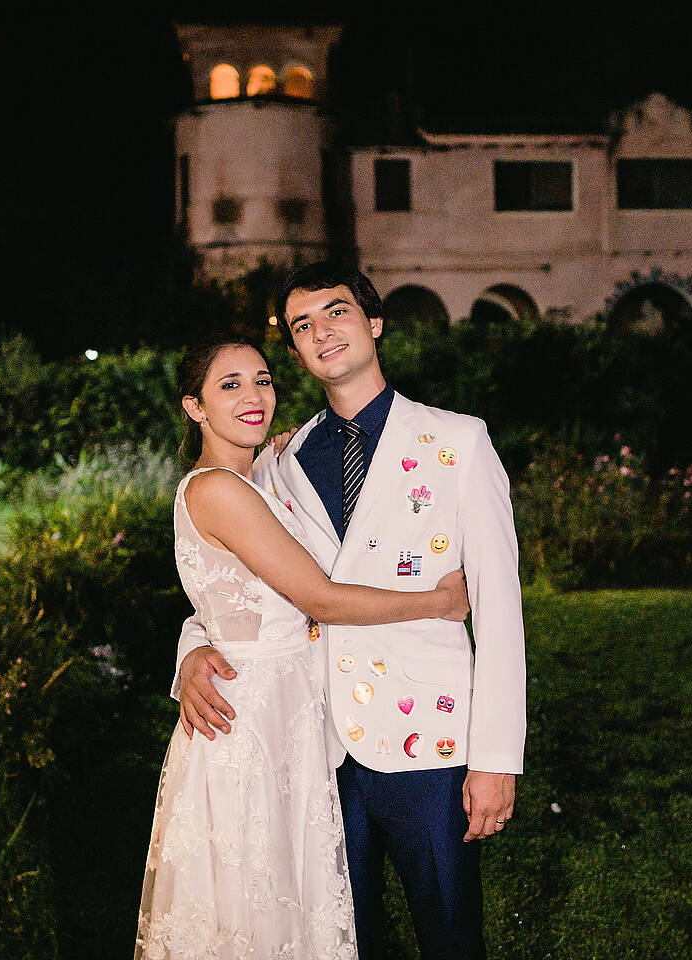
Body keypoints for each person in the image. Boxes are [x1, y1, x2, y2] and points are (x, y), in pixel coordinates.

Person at [174, 263, 528, 960]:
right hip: (315, 751)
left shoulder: (457, 443)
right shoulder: (279, 460)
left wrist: (496, 759)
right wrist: (188, 652)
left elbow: (500, 613)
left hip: (431, 746)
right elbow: (239, 586)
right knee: (338, 940)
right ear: (298, 352)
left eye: (336, 312)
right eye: (302, 326)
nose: (321, 332)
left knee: (451, 937)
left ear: (373, 323)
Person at [136, 339, 470, 960]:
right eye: (229, 385)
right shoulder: (219, 490)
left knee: (287, 900)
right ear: (194, 407)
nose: (253, 395)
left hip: (287, 712)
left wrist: (192, 647)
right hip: (253, 721)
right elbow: (319, 598)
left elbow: (223, 600)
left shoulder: (258, 475)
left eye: (261, 380)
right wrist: (436, 602)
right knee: (256, 899)